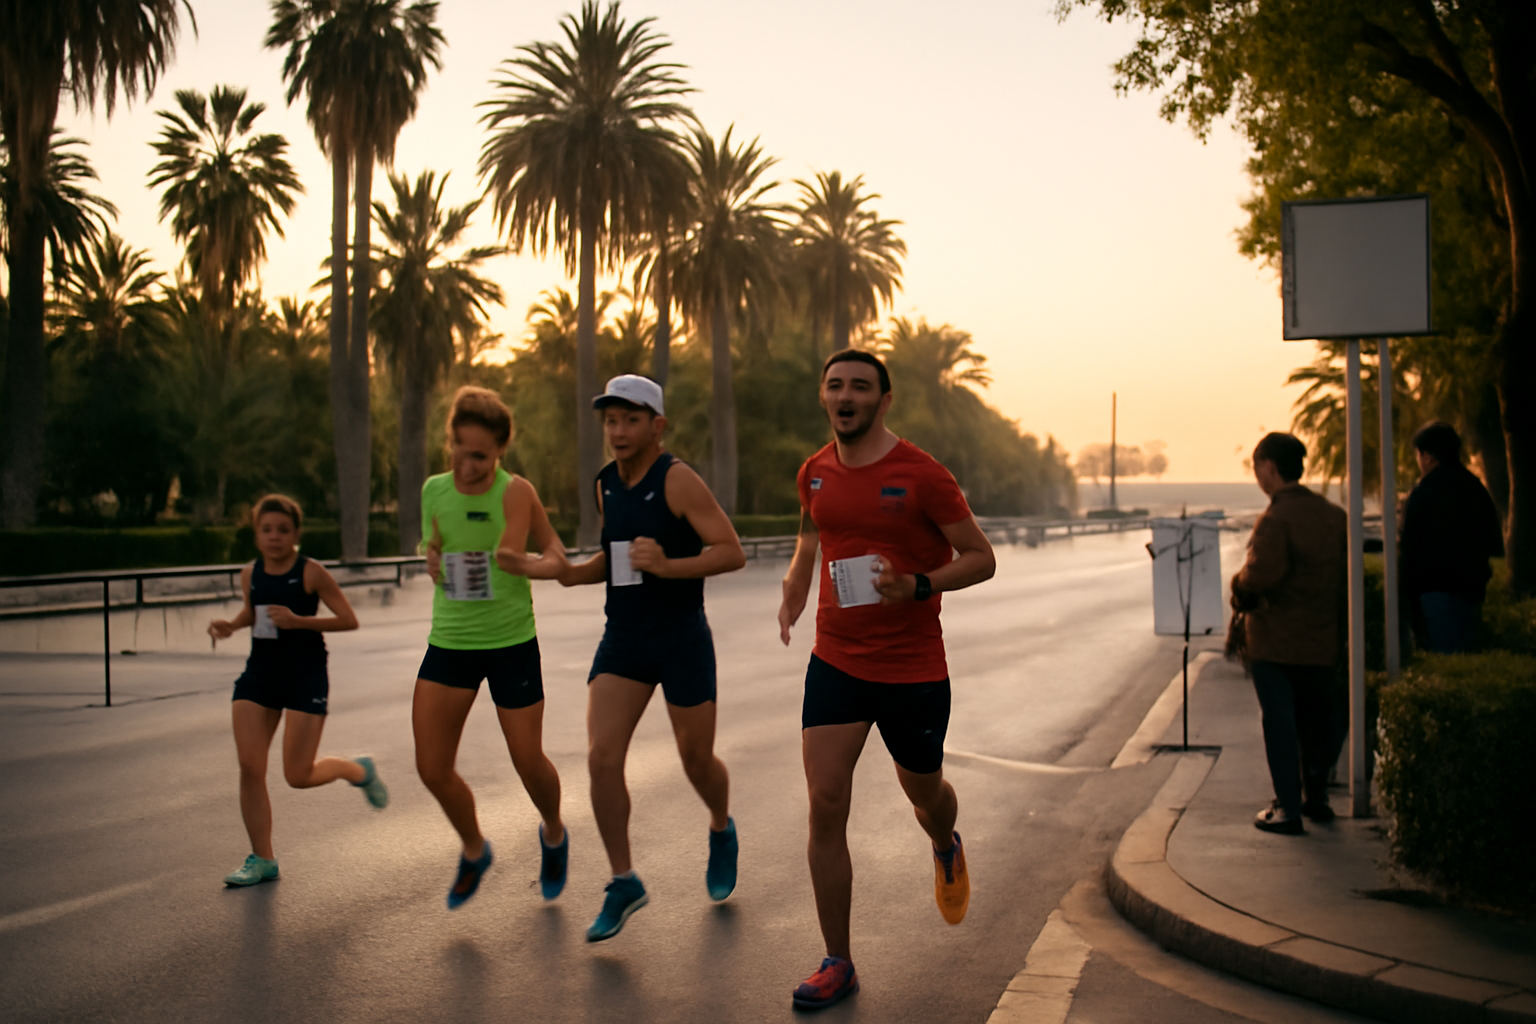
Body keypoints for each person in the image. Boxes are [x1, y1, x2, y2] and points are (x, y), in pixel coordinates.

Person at [777, 349, 996, 1011]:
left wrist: (919, 585)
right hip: (837, 660)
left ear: (883, 400)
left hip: (913, 668)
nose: (846, 395)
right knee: (824, 803)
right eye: (836, 384)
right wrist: (795, 581)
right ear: (824, 396)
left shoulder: (923, 476)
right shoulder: (814, 472)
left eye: (860, 386)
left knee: (925, 794)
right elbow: (815, 534)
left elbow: (981, 558)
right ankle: (837, 960)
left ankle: (943, 842)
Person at [513, 374, 745, 942]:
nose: (618, 431)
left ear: (657, 426)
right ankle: (623, 881)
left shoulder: (679, 481)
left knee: (697, 759)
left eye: (631, 420)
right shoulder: (605, 485)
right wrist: (569, 573)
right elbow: (613, 557)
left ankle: (720, 825)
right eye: (611, 420)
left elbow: (731, 551)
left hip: (682, 636)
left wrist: (668, 565)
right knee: (600, 757)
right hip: (624, 638)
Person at [414, 385, 568, 909]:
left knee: (527, 759)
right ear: (450, 441)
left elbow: (557, 556)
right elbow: (432, 544)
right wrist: (431, 559)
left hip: (510, 643)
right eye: (460, 448)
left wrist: (527, 564)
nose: (468, 463)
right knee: (431, 767)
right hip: (451, 642)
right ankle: (475, 849)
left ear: (500, 452)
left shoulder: (516, 492)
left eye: (480, 455)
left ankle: (552, 830)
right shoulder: (433, 491)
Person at [208, 494, 386, 887]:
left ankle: (356, 769)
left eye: (283, 530)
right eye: (266, 530)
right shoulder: (248, 573)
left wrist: (297, 621)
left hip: (305, 675)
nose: (274, 537)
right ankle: (263, 858)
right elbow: (252, 611)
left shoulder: (311, 573)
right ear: (256, 535)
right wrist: (230, 625)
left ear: (296, 535)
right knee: (250, 766)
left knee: (298, 774)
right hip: (259, 675)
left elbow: (348, 620)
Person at [1231, 432, 1347, 836]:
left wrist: (1239, 583)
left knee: (1280, 725)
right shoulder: (1334, 516)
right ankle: (1317, 797)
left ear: (1268, 467)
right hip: (1322, 641)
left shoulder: (1275, 519)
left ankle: (1288, 808)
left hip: (1276, 644)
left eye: (1256, 466)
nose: (1257, 475)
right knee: (1317, 723)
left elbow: (1261, 576)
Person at [1400, 421, 1504, 653]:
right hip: (1472, 592)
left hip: (1433, 595)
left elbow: (1410, 548)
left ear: (1428, 457)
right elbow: (1493, 540)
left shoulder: (1424, 493)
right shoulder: (1475, 487)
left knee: (1443, 657)